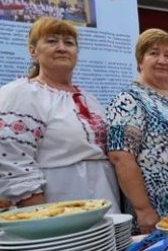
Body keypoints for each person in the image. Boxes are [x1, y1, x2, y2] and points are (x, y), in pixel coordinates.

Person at [0, 16, 120, 211]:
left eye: (69, 43)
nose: (62, 48)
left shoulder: (89, 98)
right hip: (58, 203)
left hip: (105, 198)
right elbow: (12, 158)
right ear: (33, 51)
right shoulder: (22, 93)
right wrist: (39, 212)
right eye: (52, 41)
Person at [107, 28, 168, 233]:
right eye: (153, 53)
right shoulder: (129, 100)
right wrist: (143, 210)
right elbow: (120, 157)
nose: (162, 60)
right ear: (140, 61)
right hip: (155, 213)